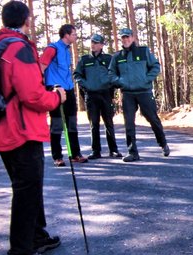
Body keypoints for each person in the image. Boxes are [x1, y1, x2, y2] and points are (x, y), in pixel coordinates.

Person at [0, 0, 66, 255]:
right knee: (27, 190)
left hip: (0, 126)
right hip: (22, 129)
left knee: (28, 185)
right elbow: (32, 96)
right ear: (27, 20)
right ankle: (21, 253)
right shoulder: (19, 49)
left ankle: (36, 236)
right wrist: (56, 97)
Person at [108, 28, 170, 162]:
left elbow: (155, 66)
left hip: (144, 92)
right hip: (128, 94)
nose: (125, 40)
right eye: (123, 38)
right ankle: (132, 152)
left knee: (153, 119)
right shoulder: (117, 57)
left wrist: (146, 79)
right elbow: (111, 73)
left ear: (133, 38)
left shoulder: (143, 51)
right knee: (129, 123)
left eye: (128, 37)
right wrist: (120, 82)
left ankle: (163, 143)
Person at [41, 24, 87, 167]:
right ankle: (57, 157)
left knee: (72, 123)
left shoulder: (67, 51)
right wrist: (45, 88)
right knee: (57, 125)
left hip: (68, 89)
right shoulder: (52, 48)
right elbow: (40, 67)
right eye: (73, 34)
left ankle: (75, 154)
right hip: (55, 90)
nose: (75, 36)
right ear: (66, 35)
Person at [73, 33, 122, 159]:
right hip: (91, 95)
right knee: (94, 124)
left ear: (101, 45)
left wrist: (111, 84)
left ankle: (113, 149)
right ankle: (96, 151)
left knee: (109, 122)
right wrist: (86, 85)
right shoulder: (85, 59)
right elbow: (77, 75)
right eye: (92, 42)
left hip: (106, 94)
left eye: (96, 43)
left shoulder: (108, 58)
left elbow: (115, 73)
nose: (93, 45)